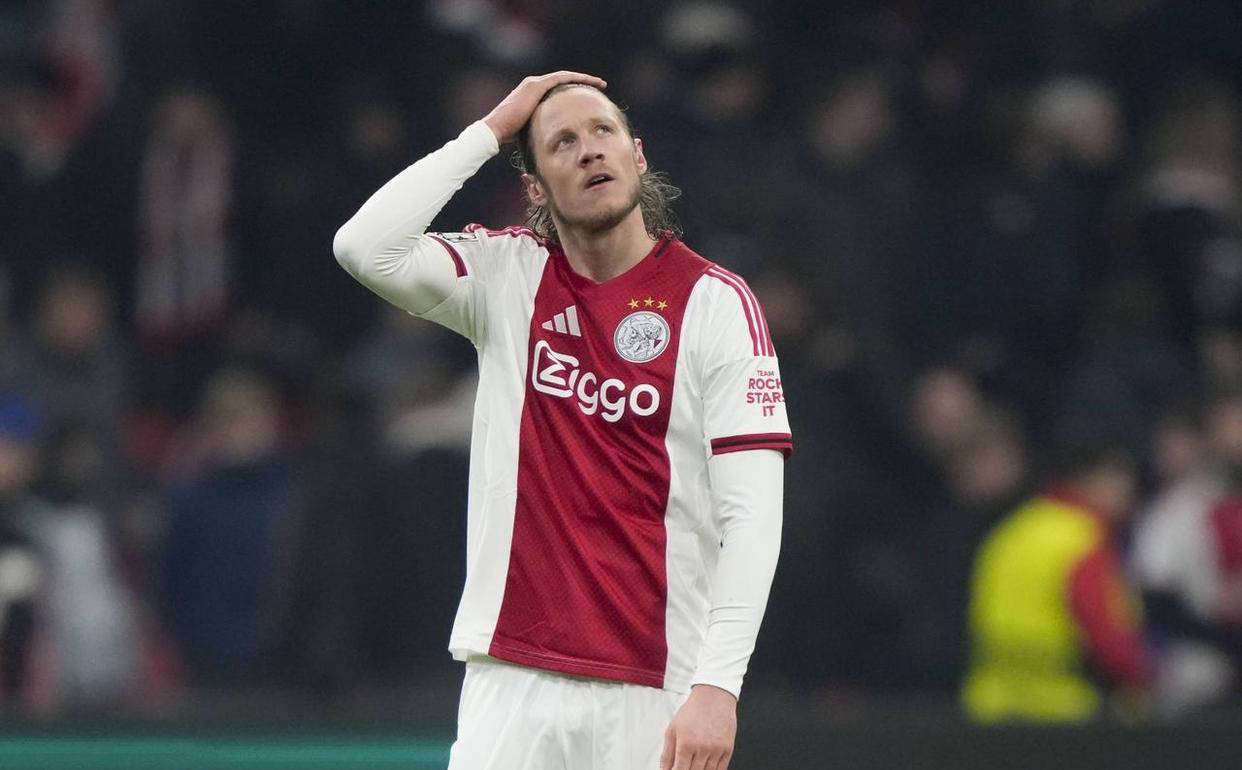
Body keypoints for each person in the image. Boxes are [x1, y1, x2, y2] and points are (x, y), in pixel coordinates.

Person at [334, 72, 791, 769]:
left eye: (604, 131)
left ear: (637, 155)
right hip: (509, 679)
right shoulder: (506, 276)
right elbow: (364, 248)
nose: (590, 150)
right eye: (562, 143)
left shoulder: (715, 303)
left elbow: (753, 517)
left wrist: (718, 685)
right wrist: (489, 132)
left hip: (653, 686)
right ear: (537, 189)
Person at [962, 423, 1152, 722]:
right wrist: (1145, 680)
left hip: (992, 708)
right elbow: (1107, 636)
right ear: (1093, 478)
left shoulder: (1013, 530)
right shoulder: (1081, 539)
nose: (1127, 491)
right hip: (1063, 712)